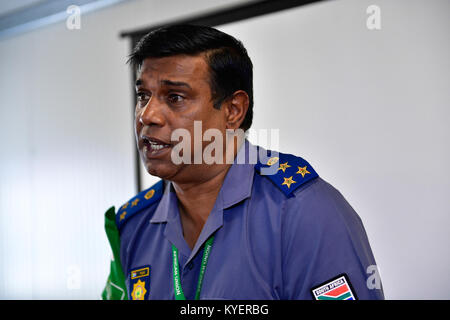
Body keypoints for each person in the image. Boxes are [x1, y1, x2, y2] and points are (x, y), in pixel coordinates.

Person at [101, 24, 384, 300]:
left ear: (233, 110)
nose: (146, 115)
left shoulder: (303, 211)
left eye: (175, 97)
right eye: (143, 96)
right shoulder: (131, 225)